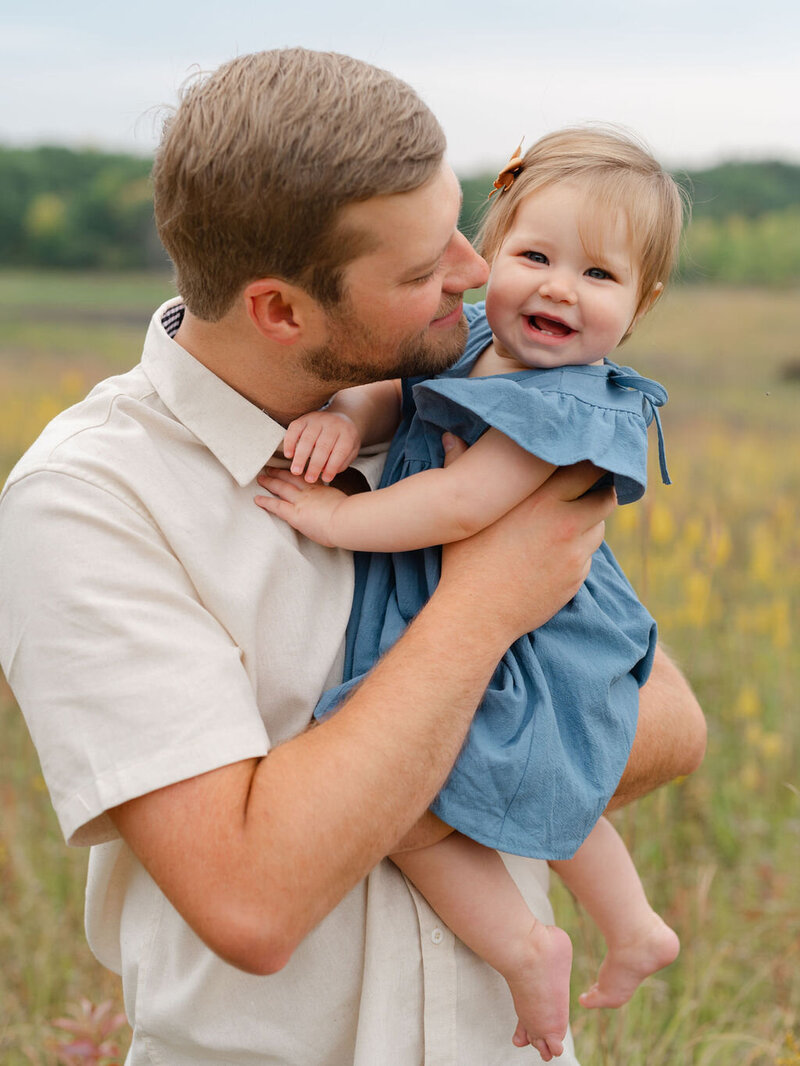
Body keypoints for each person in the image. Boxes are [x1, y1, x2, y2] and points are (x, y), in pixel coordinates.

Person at [0, 51, 705, 1066]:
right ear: (279, 309)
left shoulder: (454, 400)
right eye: (422, 270)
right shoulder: (92, 501)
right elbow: (251, 899)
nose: (472, 273)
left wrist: (336, 792)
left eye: (460, 228)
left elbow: (669, 726)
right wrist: (480, 612)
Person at [255, 127, 687, 1059]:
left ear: (640, 303)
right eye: (536, 256)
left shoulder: (568, 404)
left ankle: (529, 950)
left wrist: (333, 522)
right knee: (546, 767)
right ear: (487, 254)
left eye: (600, 276)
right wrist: (342, 412)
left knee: (414, 799)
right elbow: (397, 395)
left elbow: (459, 502)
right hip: (499, 606)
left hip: (546, 626)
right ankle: (637, 926)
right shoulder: (478, 337)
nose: (560, 288)